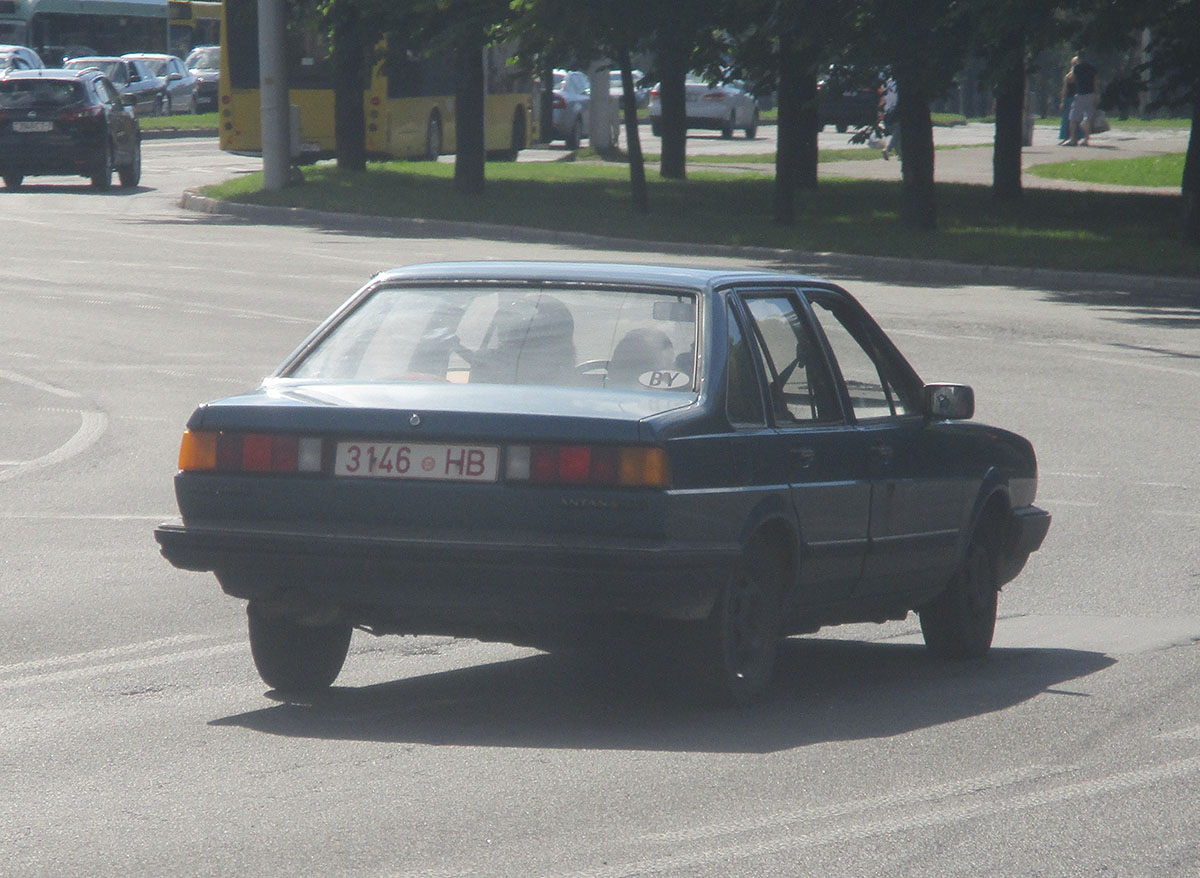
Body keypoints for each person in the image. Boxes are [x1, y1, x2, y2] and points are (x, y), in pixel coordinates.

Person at [1067, 50, 1100, 147]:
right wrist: (1096, 95)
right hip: (1091, 94)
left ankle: (1073, 139)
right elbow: (1095, 82)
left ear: (1078, 57)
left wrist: (1073, 67)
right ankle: (1086, 139)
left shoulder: (1077, 68)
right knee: (1087, 117)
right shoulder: (1091, 68)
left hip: (1080, 93)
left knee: (1073, 117)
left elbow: (1071, 79)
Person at [1058, 55, 1077, 145]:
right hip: (1069, 99)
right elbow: (1064, 89)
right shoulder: (1068, 76)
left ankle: (1074, 137)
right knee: (1067, 119)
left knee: (1074, 119)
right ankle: (1066, 137)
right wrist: (1062, 101)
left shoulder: (1079, 75)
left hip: (1076, 98)